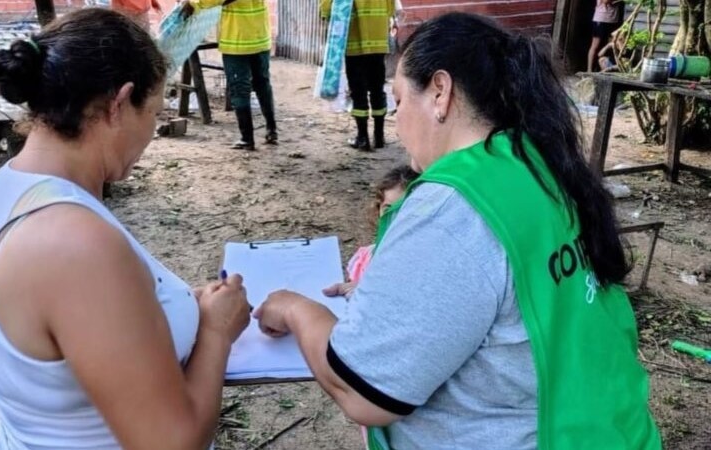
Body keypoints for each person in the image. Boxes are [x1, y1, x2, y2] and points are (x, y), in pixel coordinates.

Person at [255, 12, 662, 450]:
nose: (396, 121)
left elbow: (364, 392)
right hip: (608, 430)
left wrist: (295, 310)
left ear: (440, 92)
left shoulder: (455, 205)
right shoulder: (538, 162)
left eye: (398, 101)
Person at [0, 8, 251, 449]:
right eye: (154, 110)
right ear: (118, 104)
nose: (153, 129)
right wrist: (215, 332)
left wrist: (180, 305)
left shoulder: (8, 190)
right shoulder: (73, 243)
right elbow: (172, 443)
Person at [180, 0, 278, 151]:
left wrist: (192, 3)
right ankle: (272, 130)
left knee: (240, 89)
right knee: (262, 83)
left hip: (237, 40)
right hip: (260, 36)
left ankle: (247, 139)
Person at [327, 164, 418, 299]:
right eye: (388, 209)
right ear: (378, 209)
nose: (395, 218)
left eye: (405, 209)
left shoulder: (424, 261)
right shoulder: (365, 258)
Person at [321, 0, 394, 151]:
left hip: (354, 36)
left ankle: (362, 138)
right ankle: (379, 137)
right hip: (378, 35)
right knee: (377, 86)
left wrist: (326, 13)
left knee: (358, 88)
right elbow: (391, 6)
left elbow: (327, 6)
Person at [588, 0, 624, 72]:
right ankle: (589, 70)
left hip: (613, 20)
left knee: (610, 45)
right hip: (601, 19)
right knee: (595, 45)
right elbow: (606, 1)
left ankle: (602, 69)